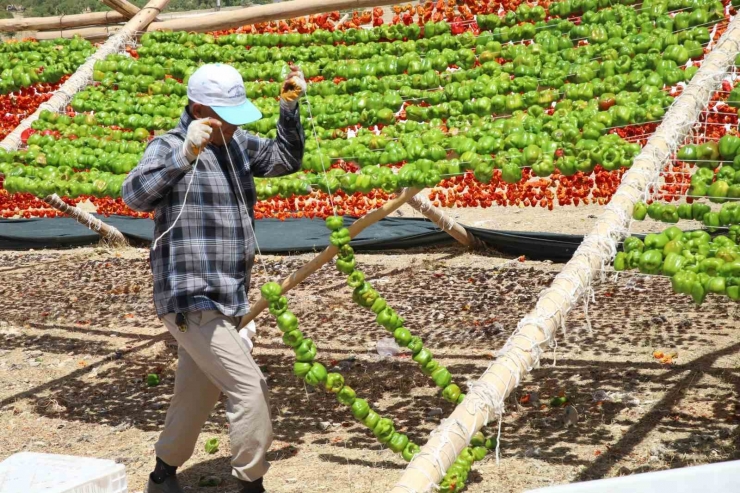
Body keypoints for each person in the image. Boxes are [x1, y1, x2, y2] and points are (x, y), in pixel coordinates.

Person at [122, 62, 306, 493]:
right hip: (189, 294)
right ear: (199, 107)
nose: (230, 125)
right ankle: (249, 482)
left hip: (228, 292)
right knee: (249, 387)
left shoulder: (237, 143)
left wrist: (289, 105)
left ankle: (162, 474)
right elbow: (133, 195)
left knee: (197, 390)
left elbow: (285, 159)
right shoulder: (167, 145)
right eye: (224, 115)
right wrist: (183, 156)